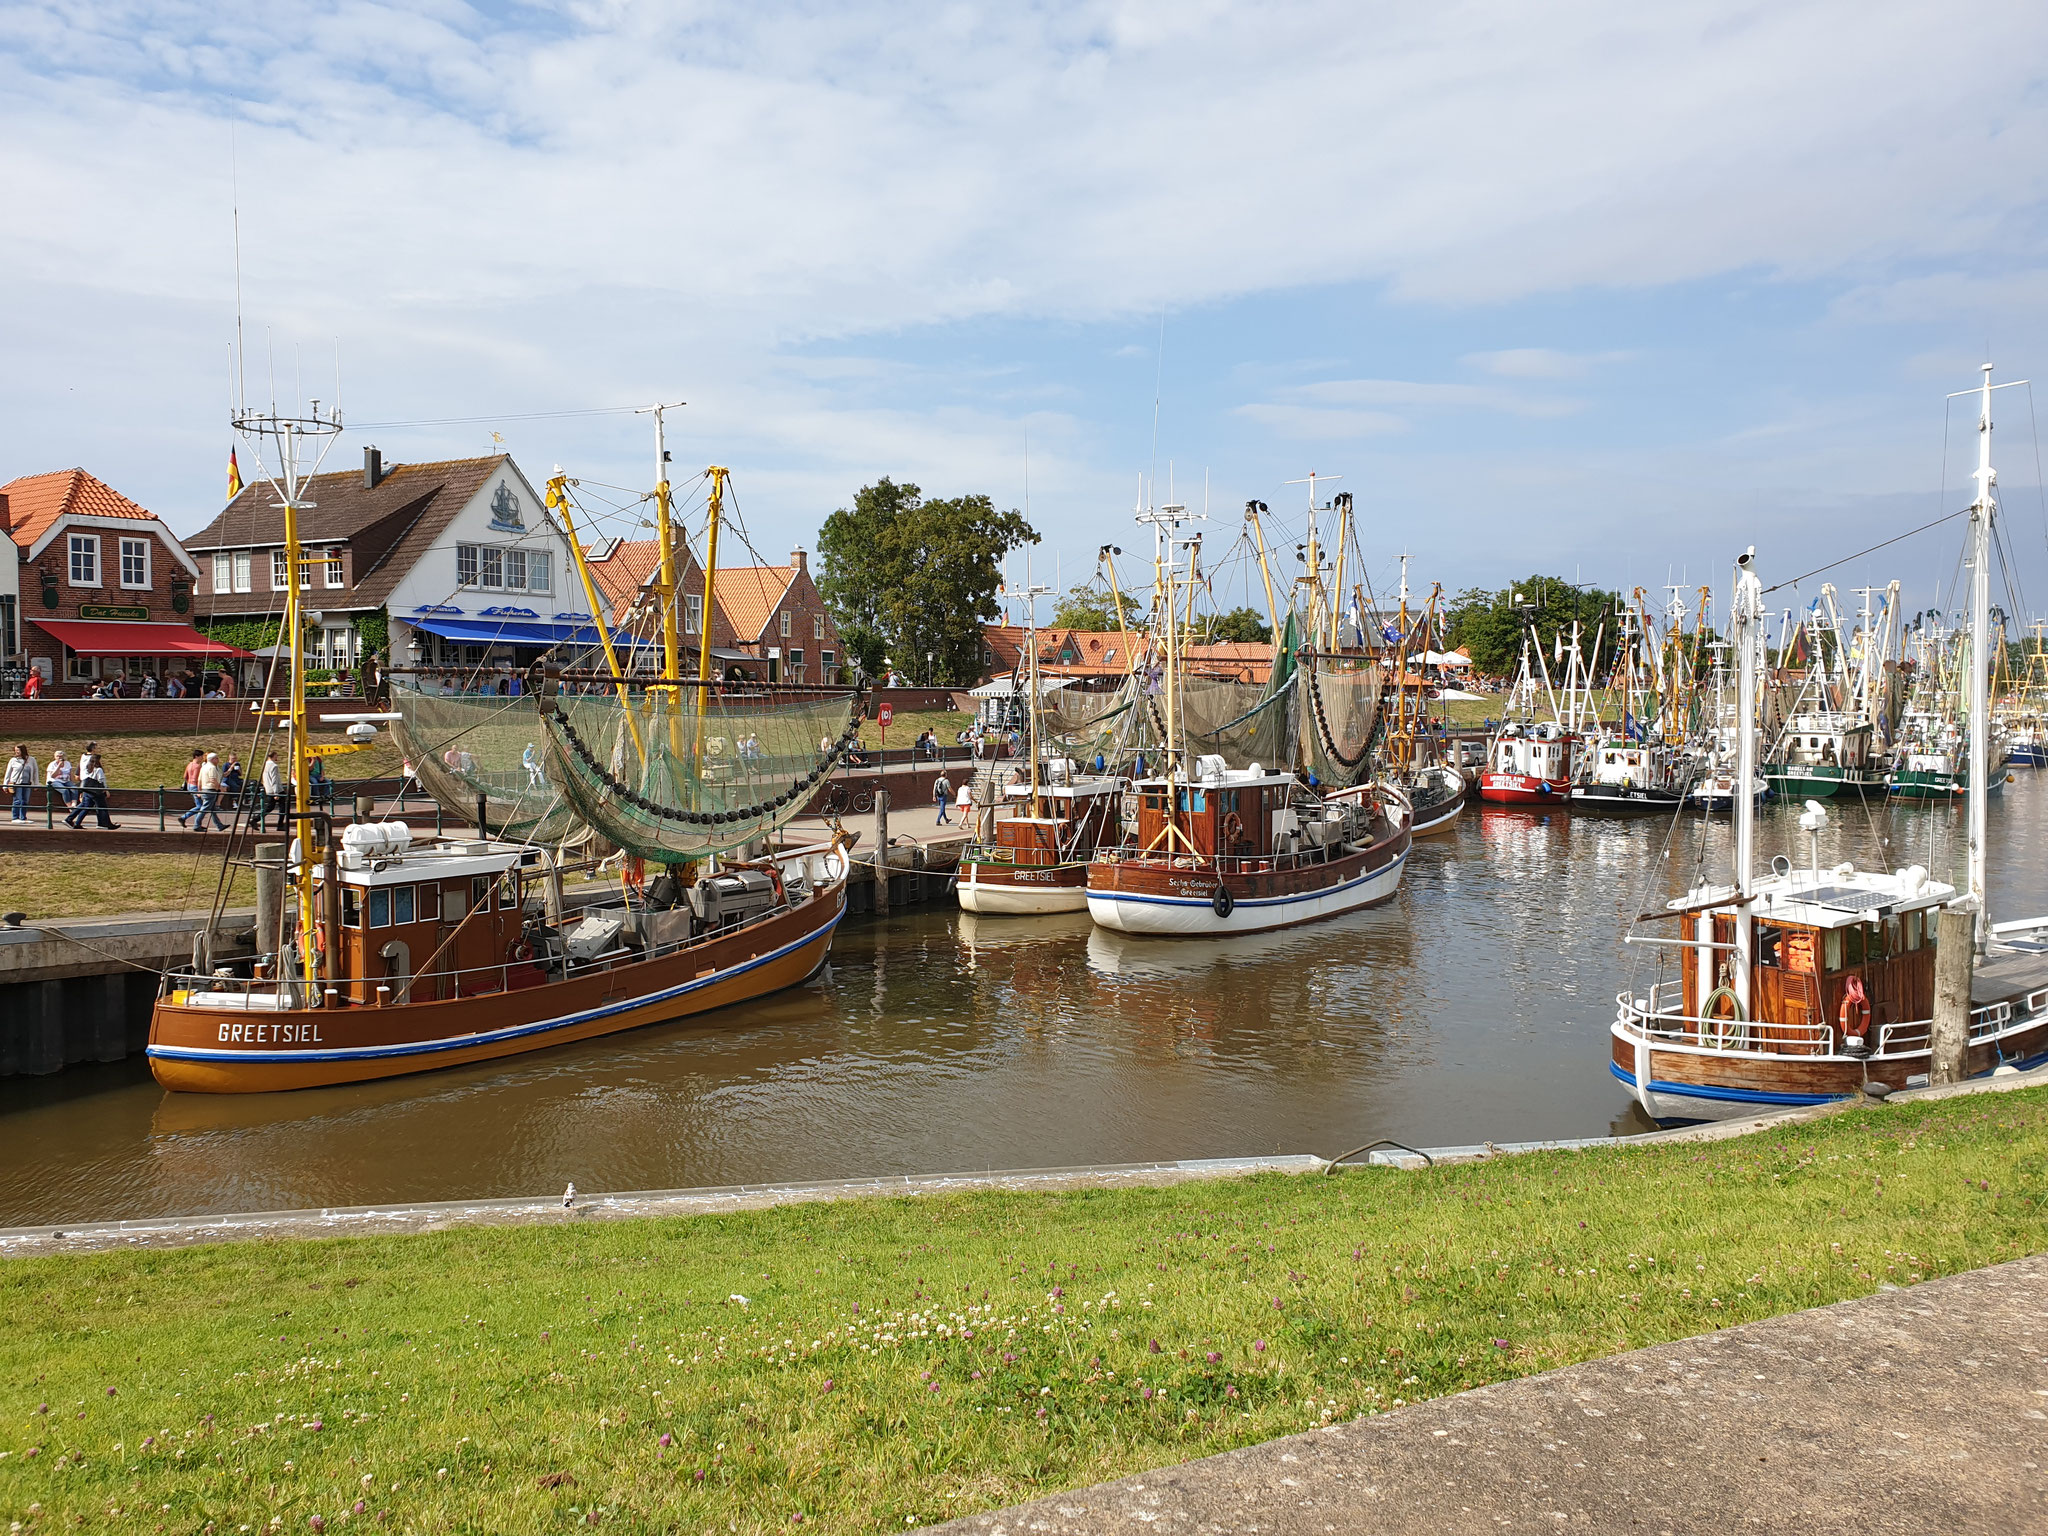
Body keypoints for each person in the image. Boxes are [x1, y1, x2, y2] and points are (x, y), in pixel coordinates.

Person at [66, 751, 118, 829]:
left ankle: (74, 822)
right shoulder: (98, 769)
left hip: (88, 791)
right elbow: (101, 780)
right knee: (102, 807)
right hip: (96, 791)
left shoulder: (88, 768)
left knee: (85, 806)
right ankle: (104, 824)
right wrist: (106, 790)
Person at [191, 752, 228, 832]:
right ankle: (196, 825)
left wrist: (199, 790)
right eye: (217, 758)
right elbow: (212, 779)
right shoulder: (212, 768)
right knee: (204, 809)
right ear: (212, 759)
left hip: (205, 789)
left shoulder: (204, 767)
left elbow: (199, 780)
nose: (218, 760)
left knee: (212, 809)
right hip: (210, 790)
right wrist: (221, 788)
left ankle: (219, 825)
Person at [175, 748, 205, 827]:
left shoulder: (189, 764)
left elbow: (185, 776)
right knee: (200, 806)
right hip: (195, 786)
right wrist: (199, 790)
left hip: (189, 785)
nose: (202, 758)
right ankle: (183, 817)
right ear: (196, 756)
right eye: (201, 756)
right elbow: (196, 778)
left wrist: (189, 783)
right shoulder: (197, 766)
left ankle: (197, 824)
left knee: (198, 805)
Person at [5, 744, 35, 822]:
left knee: (25, 800)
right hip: (16, 783)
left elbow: (35, 772)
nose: (16, 752)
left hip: (27, 783)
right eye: (15, 750)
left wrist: (36, 784)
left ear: (23, 750)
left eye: (18, 750)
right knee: (17, 800)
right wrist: (5, 784)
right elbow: (8, 773)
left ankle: (23, 817)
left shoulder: (31, 759)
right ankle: (15, 817)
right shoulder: (13, 760)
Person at [261, 751, 286, 832]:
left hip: (268, 789)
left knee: (270, 807)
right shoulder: (274, 766)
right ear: (274, 756)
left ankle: (255, 819)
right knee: (282, 807)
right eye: (276, 756)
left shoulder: (265, 765)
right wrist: (276, 793)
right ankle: (280, 825)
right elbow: (274, 780)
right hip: (276, 790)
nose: (277, 757)